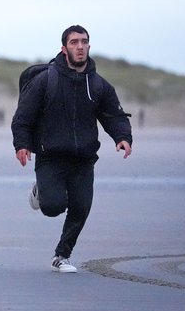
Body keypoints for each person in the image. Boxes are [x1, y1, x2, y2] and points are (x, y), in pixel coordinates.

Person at [11, 24, 132, 273]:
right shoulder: (46, 81)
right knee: (53, 207)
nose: (80, 46)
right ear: (64, 48)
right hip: (51, 156)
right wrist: (22, 144)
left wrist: (122, 136)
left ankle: (62, 256)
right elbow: (23, 116)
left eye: (84, 42)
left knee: (81, 207)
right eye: (74, 42)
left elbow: (113, 115)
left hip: (83, 158)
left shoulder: (98, 85)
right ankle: (40, 191)